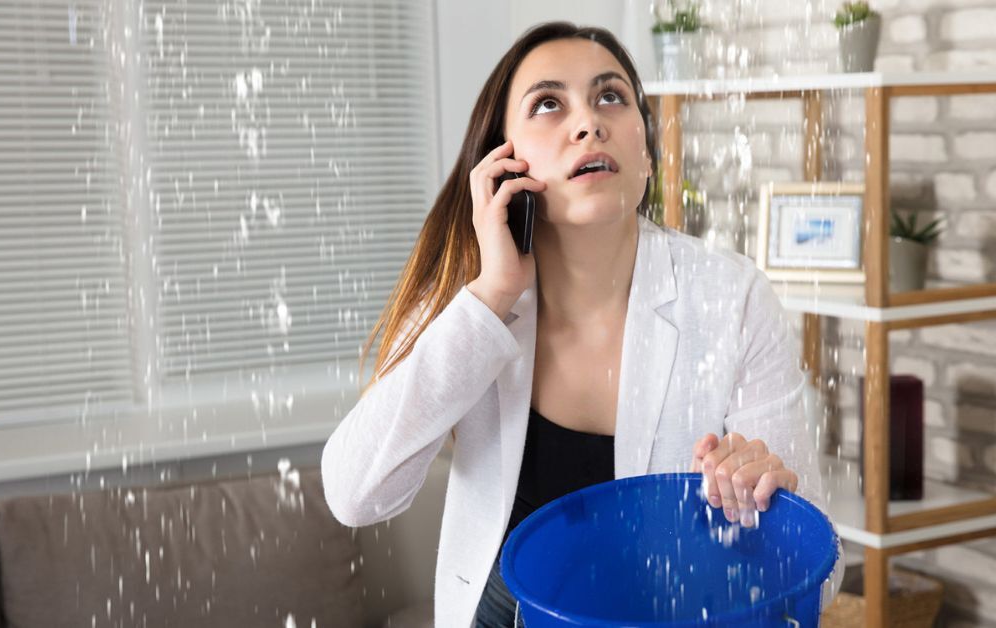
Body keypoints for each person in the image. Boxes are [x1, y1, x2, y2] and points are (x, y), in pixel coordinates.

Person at [321, 21, 839, 628]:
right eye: (548, 104)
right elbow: (356, 494)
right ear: (505, 163)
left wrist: (766, 506)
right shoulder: (471, 295)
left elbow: (823, 581)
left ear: (645, 152)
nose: (587, 122)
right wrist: (492, 295)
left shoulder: (734, 297)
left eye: (611, 96)